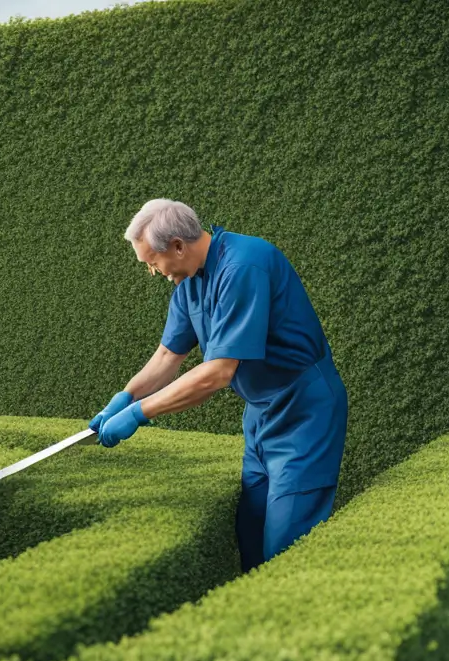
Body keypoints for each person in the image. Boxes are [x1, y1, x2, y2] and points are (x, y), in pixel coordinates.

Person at [91, 199, 348, 572]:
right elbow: (167, 357)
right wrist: (125, 396)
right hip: (260, 416)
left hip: (304, 413)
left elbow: (218, 373)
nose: (152, 271)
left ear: (178, 246)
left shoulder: (244, 265)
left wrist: (139, 413)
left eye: (151, 262)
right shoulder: (189, 283)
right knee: (251, 537)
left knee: (285, 549)